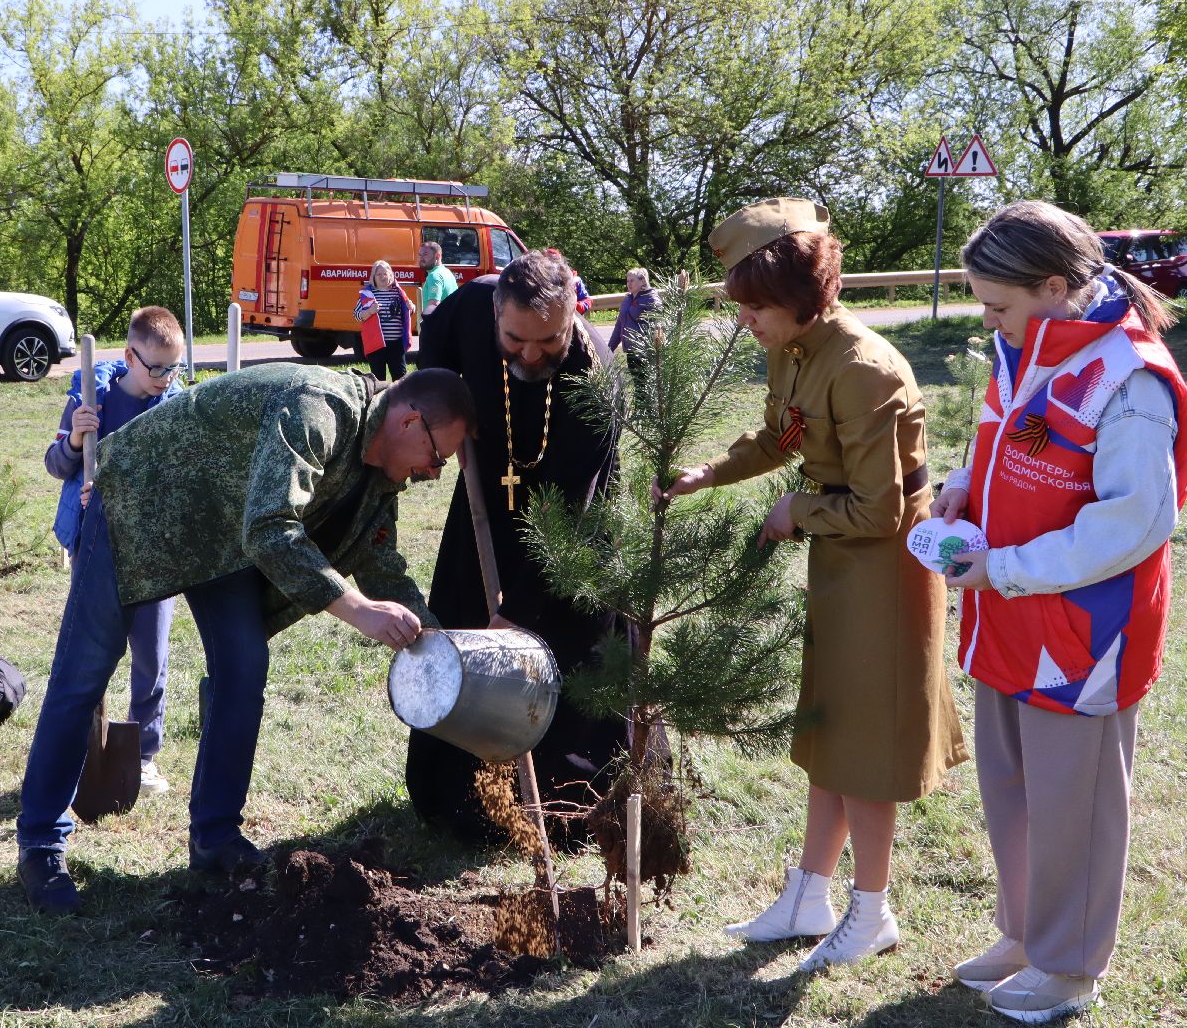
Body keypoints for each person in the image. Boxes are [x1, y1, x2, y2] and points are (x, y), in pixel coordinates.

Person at [15, 363, 477, 913]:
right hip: (144, 501)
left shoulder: (377, 476)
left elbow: (378, 555)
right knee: (84, 674)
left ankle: (215, 836)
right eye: (437, 457)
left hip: (219, 540)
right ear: (408, 421)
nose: (433, 472)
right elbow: (271, 527)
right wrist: (358, 612)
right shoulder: (318, 407)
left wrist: (439, 645)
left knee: (243, 665)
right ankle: (41, 842)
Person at [658, 198, 966, 970]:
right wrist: (712, 473)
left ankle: (872, 912)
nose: (744, 322)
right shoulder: (793, 350)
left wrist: (796, 508)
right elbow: (782, 436)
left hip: (884, 567)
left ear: (799, 296)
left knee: (865, 745)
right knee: (831, 731)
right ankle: (809, 896)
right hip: (841, 556)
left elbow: (876, 508)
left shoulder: (862, 370)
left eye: (754, 306)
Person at [935, 201, 1185, 1023]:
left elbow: (1135, 521)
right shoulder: (1022, 347)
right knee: (1012, 787)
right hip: (1007, 616)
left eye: (995, 303)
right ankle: (1024, 935)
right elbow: (1004, 439)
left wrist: (1004, 566)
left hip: (1084, 636)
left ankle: (1070, 964)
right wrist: (963, 489)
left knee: (1074, 799)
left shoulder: (1131, 378)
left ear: (1053, 286)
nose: (987, 319)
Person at [407, 249, 626, 843]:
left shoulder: (595, 379)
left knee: (563, 645)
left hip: (573, 528)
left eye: (547, 340)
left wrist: (517, 614)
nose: (530, 354)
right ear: (497, 313)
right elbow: (434, 339)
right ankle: (453, 792)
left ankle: (562, 799)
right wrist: (452, 407)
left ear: (571, 319)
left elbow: (573, 511)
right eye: (514, 339)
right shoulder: (472, 305)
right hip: (486, 498)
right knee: (463, 622)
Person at [45, 305, 184, 795]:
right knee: (94, 652)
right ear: (129, 355)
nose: (166, 378)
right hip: (97, 547)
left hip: (154, 550)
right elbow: (56, 464)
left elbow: (180, 480)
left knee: (151, 653)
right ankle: (87, 748)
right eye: (157, 368)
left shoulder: (173, 407)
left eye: (175, 368)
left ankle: (144, 754)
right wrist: (79, 441)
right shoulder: (90, 400)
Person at [355, 259, 414, 380]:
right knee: (378, 379)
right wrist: (370, 311)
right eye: (379, 274)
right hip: (376, 345)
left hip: (396, 343)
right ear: (374, 277)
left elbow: (407, 311)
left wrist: (412, 308)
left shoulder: (398, 292)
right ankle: (380, 399)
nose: (382, 277)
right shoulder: (367, 294)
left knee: (400, 378)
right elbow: (356, 315)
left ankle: (398, 399)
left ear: (391, 275)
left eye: (385, 274)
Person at [608, 266, 662, 355]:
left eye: (632, 281)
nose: (629, 284)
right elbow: (619, 326)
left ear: (642, 281)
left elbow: (658, 325)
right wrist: (609, 349)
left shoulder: (651, 299)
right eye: (627, 281)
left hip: (646, 351)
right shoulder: (627, 299)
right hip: (630, 350)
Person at [418, 240, 458, 318]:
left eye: (425, 254)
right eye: (420, 255)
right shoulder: (447, 272)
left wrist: (424, 324)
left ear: (438, 256)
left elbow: (433, 305)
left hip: (437, 326)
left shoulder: (434, 276)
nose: (421, 258)